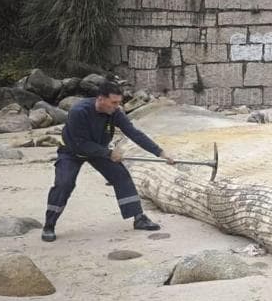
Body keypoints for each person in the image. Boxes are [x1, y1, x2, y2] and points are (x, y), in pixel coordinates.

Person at [41, 81, 174, 242]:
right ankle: (49, 225)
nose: (118, 106)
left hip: (98, 151)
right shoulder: (79, 111)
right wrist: (109, 153)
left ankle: (139, 218)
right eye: (114, 102)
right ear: (101, 99)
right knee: (64, 184)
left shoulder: (114, 112)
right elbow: (80, 144)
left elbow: (134, 133)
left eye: (119, 102)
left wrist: (160, 152)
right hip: (72, 151)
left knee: (121, 175)